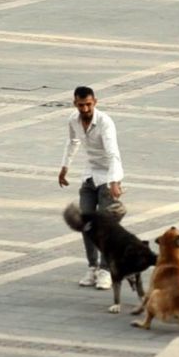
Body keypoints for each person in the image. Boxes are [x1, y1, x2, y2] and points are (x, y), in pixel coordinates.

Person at [58, 86, 124, 290]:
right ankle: (92, 267)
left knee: (105, 225)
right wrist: (64, 167)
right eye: (80, 105)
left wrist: (114, 182)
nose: (85, 109)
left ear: (95, 102)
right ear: (74, 103)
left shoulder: (105, 122)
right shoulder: (73, 120)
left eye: (88, 104)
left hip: (108, 176)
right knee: (85, 223)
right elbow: (72, 142)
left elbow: (113, 153)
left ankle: (106, 270)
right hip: (89, 175)